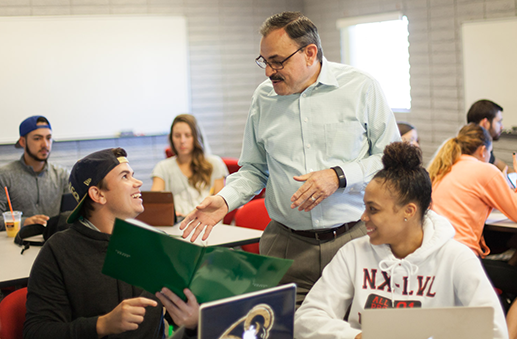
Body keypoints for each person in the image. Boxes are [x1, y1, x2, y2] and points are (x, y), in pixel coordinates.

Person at [179, 11, 400, 306]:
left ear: (310, 53)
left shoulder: (361, 87)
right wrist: (225, 199)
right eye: (265, 61)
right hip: (287, 248)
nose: (269, 71)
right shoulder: (263, 98)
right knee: (285, 329)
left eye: (277, 61)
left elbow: (392, 159)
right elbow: (254, 170)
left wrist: (338, 175)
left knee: (360, 329)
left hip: (355, 237)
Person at [294, 142, 508, 339]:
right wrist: (357, 337)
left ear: (409, 211)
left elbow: (494, 329)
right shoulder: (354, 252)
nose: (363, 218)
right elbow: (306, 318)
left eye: (373, 209)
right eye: (365, 207)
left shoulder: (456, 258)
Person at [24, 148, 169, 339]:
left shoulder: (150, 243)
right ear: (98, 194)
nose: (138, 183)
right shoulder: (58, 252)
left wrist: (191, 317)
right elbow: (37, 332)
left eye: (133, 175)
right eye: (125, 177)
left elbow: (177, 318)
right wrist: (102, 324)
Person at [151, 114, 228, 218]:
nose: (182, 141)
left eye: (187, 135)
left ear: (196, 137)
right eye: (177, 136)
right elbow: (154, 205)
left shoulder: (215, 164)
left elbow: (220, 205)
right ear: (171, 139)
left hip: (207, 224)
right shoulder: (162, 167)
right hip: (176, 225)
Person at [0, 115, 69, 231]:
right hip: (15, 244)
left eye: (48, 138)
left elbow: (72, 215)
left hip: (53, 242)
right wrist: (24, 222)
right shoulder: (5, 176)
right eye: (37, 138)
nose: (45, 144)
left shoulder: (62, 175)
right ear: (22, 141)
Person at [467, 99, 507, 172]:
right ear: (485, 123)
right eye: (499, 122)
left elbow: (496, 162)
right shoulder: (478, 151)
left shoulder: (481, 144)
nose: (502, 127)